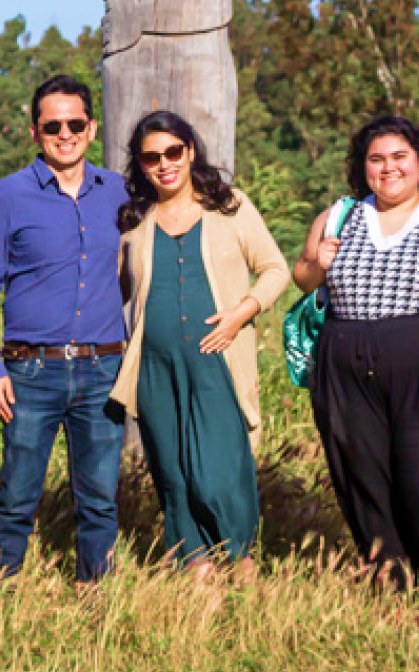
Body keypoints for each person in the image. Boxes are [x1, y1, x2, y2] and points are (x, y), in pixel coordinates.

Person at [291, 115, 419, 590]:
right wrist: (315, 262)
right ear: (363, 168)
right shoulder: (338, 215)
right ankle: (390, 584)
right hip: (344, 370)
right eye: (376, 159)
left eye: (400, 158)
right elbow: (302, 279)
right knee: (364, 482)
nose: (388, 168)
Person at [0, 74, 131, 583]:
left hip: (104, 368)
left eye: (75, 123)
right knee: (17, 495)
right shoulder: (7, 196)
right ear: (35, 132)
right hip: (28, 373)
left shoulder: (120, 192)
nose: (65, 133)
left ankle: (94, 599)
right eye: (52, 125)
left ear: (92, 127)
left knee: (101, 499)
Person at [109, 110, 288, 571]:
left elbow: (275, 270)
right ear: (140, 164)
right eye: (152, 158)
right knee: (173, 476)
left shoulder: (229, 206)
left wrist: (240, 315)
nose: (164, 164)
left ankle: (243, 567)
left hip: (217, 362)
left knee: (219, 476)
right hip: (155, 368)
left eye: (173, 151)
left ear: (190, 151)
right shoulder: (134, 222)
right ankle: (197, 575)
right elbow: (117, 294)